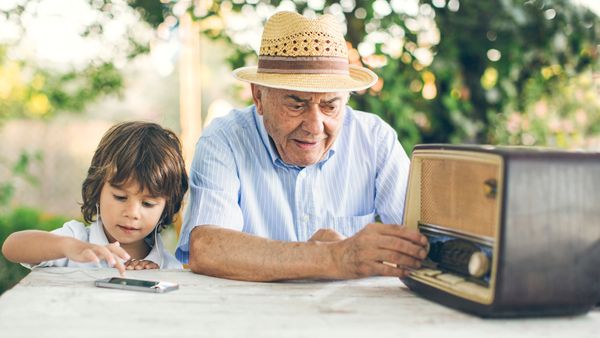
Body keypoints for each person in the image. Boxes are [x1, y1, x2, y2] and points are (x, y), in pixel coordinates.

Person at [176, 11, 428, 281]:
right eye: (296, 105)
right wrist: (335, 257)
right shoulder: (224, 139)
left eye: (330, 106)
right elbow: (206, 249)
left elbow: (425, 242)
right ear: (259, 96)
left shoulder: (375, 139)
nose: (315, 127)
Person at [2, 121, 188, 275]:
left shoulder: (170, 268)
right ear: (97, 189)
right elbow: (12, 247)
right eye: (120, 197)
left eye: (147, 203)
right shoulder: (78, 240)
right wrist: (68, 247)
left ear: (166, 206)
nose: (132, 213)